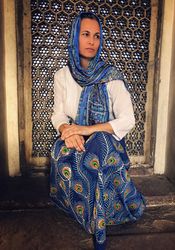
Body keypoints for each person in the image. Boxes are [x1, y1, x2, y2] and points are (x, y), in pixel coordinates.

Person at [50, 12, 145, 250]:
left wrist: (85, 129)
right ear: (74, 37)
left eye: (96, 36)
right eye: (85, 34)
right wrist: (68, 131)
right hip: (74, 138)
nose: (92, 41)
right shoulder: (62, 76)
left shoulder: (111, 76)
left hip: (106, 144)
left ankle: (100, 221)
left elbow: (128, 120)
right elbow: (58, 114)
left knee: (100, 144)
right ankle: (81, 210)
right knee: (60, 151)